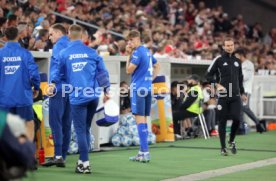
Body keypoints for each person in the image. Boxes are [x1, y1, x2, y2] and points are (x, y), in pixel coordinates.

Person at [50, 24, 110, 174]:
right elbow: (102, 73)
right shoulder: (92, 52)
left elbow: (59, 74)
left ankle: (85, 164)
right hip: (93, 96)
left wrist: (53, 84)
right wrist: (107, 90)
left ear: (69, 34)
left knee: (80, 130)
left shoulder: (64, 53)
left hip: (78, 97)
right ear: (83, 35)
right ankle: (82, 161)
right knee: (86, 129)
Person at [206, 37, 247, 156]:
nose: (229, 47)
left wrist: (242, 93)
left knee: (237, 119)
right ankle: (223, 147)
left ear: (233, 46)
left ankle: (231, 140)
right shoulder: (218, 60)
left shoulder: (237, 61)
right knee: (222, 121)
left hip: (235, 95)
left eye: (231, 45)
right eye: (227, 45)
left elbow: (240, 78)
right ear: (223, 47)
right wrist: (217, 85)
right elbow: (208, 75)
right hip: (223, 95)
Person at [0, 27, 40, 141]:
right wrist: (36, 88)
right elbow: (34, 74)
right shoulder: (25, 54)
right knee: (28, 124)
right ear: (18, 37)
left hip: (4, 99)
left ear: (5, 37)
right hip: (23, 97)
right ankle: (26, 155)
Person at [126, 30, 160, 163]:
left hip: (138, 89)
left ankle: (145, 152)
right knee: (144, 121)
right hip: (147, 89)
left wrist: (128, 55)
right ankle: (141, 151)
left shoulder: (137, 52)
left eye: (131, 40)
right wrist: (151, 79)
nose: (130, 43)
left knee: (140, 121)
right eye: (128, 41)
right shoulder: (147, 51)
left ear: (138, 39)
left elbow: (128, 70)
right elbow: (157, 65)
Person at [42, 23, 71, 167]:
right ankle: (63, 155)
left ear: (59, 33)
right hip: (71, 89)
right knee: (66, 123)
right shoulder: (72, 45)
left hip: (58, 88)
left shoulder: (59, 46)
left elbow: (59, 66)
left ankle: (58, 156)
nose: (49, 36)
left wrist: (53, 82)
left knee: (56, 122)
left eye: (51, 33)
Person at [234, 48, 265, 133]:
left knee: (244, 107)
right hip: (239, 90)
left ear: (241, 55)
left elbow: (245, 77)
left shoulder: (249, 64)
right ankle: (240, 128)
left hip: (246, 90)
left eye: (236, 56)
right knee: (239, 108)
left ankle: (258, 123)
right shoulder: (240, 64)